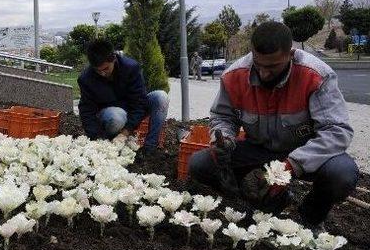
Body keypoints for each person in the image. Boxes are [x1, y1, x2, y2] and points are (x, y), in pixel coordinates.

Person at [188, 21, 359, 226]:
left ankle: (311, 216)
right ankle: (263, 202)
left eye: (272, 67)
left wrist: (292, 165)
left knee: (341, 173)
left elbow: (336, 131)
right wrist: (224, 138)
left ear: (290, 54)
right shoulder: (235, 76)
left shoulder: (315, 76)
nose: (264, 73)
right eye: (258, 65)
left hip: (305, 154)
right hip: (259, 151)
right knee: (200, 164)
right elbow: (222, 116)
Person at [77, 38, 169, 159]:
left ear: (114, 59)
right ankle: (110, 144)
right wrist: (97, 140)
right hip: (109, 116)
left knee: (161, 97)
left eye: (106, 69)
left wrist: (125, 133)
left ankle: (149, 148)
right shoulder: (86, 79)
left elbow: (140, 102)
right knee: (116, 116)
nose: (102, 74)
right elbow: (86, 111)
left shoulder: (131, 68)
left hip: (131, 109)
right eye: (98, 71)